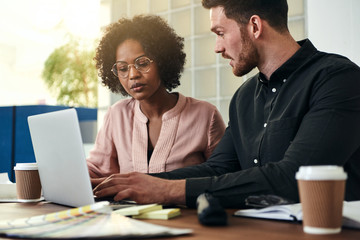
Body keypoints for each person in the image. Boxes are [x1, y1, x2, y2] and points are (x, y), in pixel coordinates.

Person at [92, 0, 360, 208]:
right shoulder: (244, 98)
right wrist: (137, 183)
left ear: (255, 26)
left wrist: (167, 190)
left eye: (220, 32)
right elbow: (218, 168)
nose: (217, 47)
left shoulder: (337, 79)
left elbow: (293, 178)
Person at [87, 15, 226, 182]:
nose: (133, 75)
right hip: (127, 208)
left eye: (143, 63)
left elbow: (224, 174)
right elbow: (95, 169)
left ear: (162, 61)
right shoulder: (116, 115)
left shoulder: (205, 115)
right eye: (122, 68)